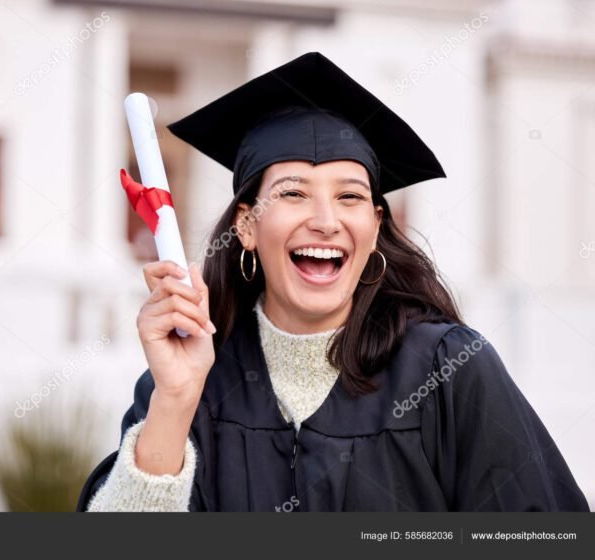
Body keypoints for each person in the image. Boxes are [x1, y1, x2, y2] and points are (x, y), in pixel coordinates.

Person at [76, 52, 589, 512]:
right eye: (294, 194)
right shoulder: (191, 379)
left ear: (375, 228)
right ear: (247, 226)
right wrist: (175, 402)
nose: (325, 220)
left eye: (349, 197)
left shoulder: (449, 370)